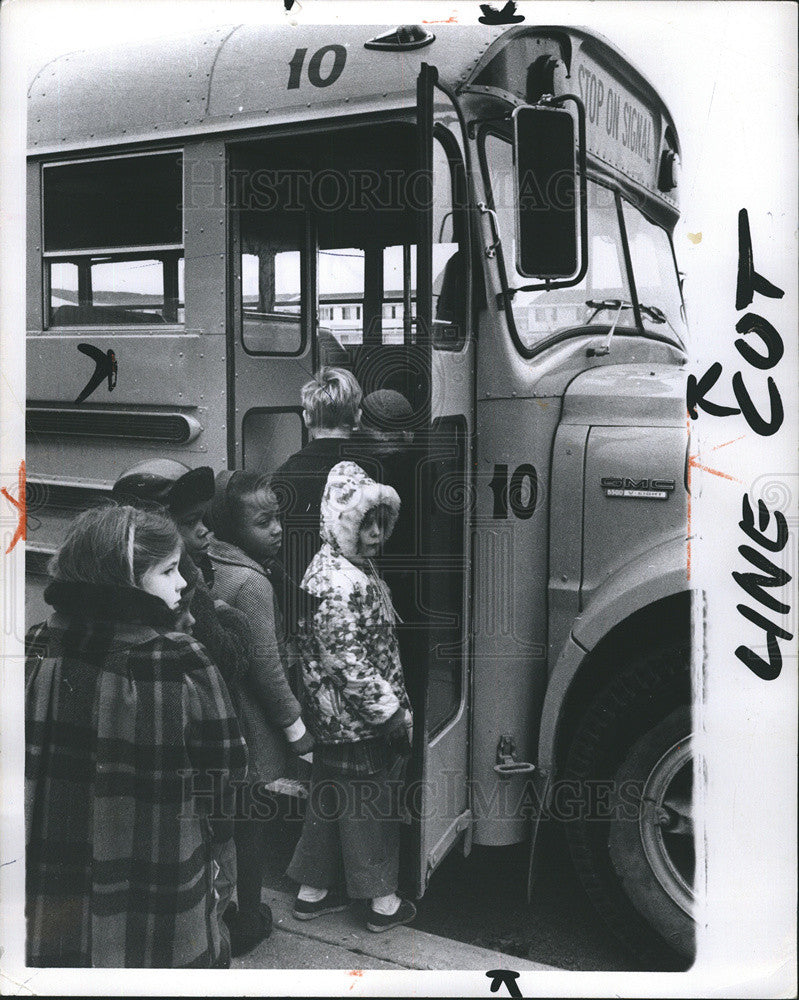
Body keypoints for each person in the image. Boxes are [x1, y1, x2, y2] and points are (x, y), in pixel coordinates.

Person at [25, 505, 248, 968]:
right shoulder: (181, 659)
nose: (183, 582)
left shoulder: (35, 647)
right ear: (125, 583)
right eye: (168, 571)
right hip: (162, 862)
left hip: (53, 861)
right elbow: (226, 767)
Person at [111, 458, 253, 956]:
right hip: (193, 786)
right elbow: (227, 658)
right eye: (190, 520)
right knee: (209, 889)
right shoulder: (184, 583)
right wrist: (226, 615)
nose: (203, 529)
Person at [286, 461, 416, 933]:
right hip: (357, 721)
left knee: (328, 802)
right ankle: (381, 902)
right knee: (369, 809)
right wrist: (390, 712)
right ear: (342, 525)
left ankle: (311, 892)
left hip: (334, 720)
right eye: (366, 524)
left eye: (383, 523)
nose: (378, 534)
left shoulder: (341, 568)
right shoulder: (340, 580)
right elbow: (348, 660)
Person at [204, 469, 314, 955]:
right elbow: (268, 673)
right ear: (230, 527)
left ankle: (223, 907)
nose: (277, 529)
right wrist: (298, 733)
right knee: (253, 824)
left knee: (226, 823)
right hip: (253, 729)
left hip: (220, 725)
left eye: (278, 519)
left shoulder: (211, 563)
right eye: (263, 521)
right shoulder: (251, 584)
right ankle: (249, 914)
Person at [269, 367, 364, 635]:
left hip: (307, 603)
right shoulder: (373, 470)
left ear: (307, 417)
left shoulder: (284, 475)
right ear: (357, 416)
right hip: (363, 598)